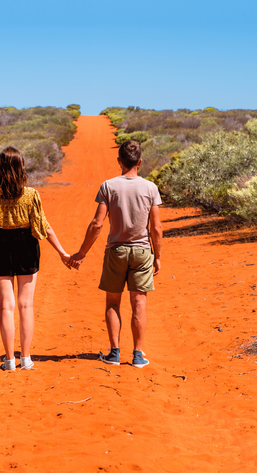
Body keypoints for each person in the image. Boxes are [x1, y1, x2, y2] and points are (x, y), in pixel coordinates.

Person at [0, 146, 71, 371]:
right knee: (26, 305)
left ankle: (9, 360)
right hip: (26, 246)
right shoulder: (31, 195)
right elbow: (43, 227)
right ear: (21, 168)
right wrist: (62, 253)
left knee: (6, 307)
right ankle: (25, 358)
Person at [69, 140, 162, 368]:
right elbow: (156, 228)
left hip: (116, 250)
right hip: (142, 251)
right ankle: (138, 355)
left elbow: (97, 224)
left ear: (119, 161)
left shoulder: (108, 187)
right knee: (139, 302)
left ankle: (114, 353)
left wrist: (82, 253)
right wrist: (157, 256)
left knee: (113, 300)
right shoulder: (151, 188)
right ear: (140, 162)